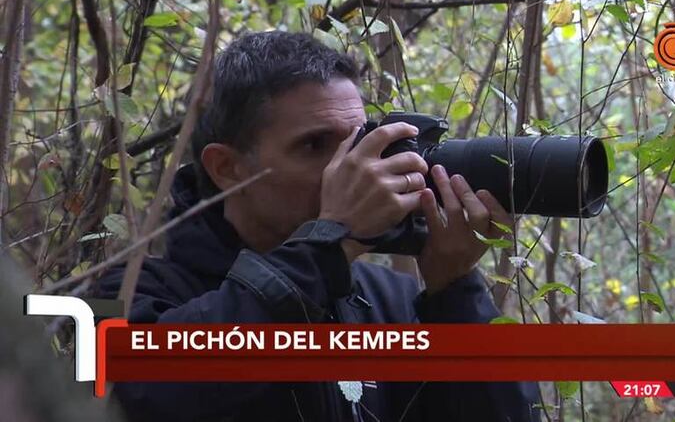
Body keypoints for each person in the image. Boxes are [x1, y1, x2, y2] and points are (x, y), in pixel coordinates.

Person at [98, 30, 541, 421]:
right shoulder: (128, 298)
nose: (351, 167)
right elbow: (148, 392)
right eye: (314, 145)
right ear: (227, 167)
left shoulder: (393, 303)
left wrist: (454, 293)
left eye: (358, 140)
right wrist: (330, 243)